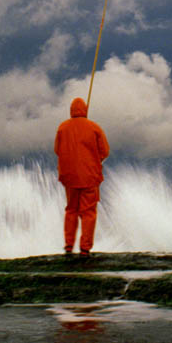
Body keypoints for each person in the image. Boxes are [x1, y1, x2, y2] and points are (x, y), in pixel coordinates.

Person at [54, 97, 110, 256]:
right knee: (88, 212)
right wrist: (95, 159)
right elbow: (105, 151)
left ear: (71, 111)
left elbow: (57, 150)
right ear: (85, 110)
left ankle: (68, 246)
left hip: (69, 177)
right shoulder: (94, 127)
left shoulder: (62, 128)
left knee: (71, 210)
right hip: (90, 177)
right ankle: (85, 248)